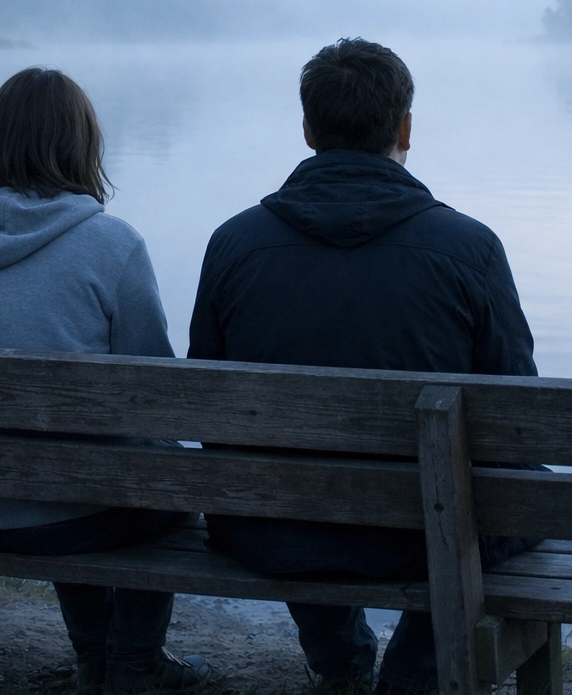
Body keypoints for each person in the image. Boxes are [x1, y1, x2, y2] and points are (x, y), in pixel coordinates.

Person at [188, 38, 540, 695]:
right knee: (500, 492)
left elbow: (209, 405)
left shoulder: (233, 244)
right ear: (405, 128)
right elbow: (514, 420)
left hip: (268, 526)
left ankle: (342, 660)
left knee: (296, 482)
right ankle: (412, 673)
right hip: (423, 535)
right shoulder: (469, 248)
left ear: (308, 130)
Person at [0, 67, 209, 695]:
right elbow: (156, 403)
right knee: (159, 475)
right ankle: (134, 664)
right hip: (69, 510)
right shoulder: (111, 245)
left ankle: (94, 659)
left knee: (74, 462)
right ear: (81, 145)